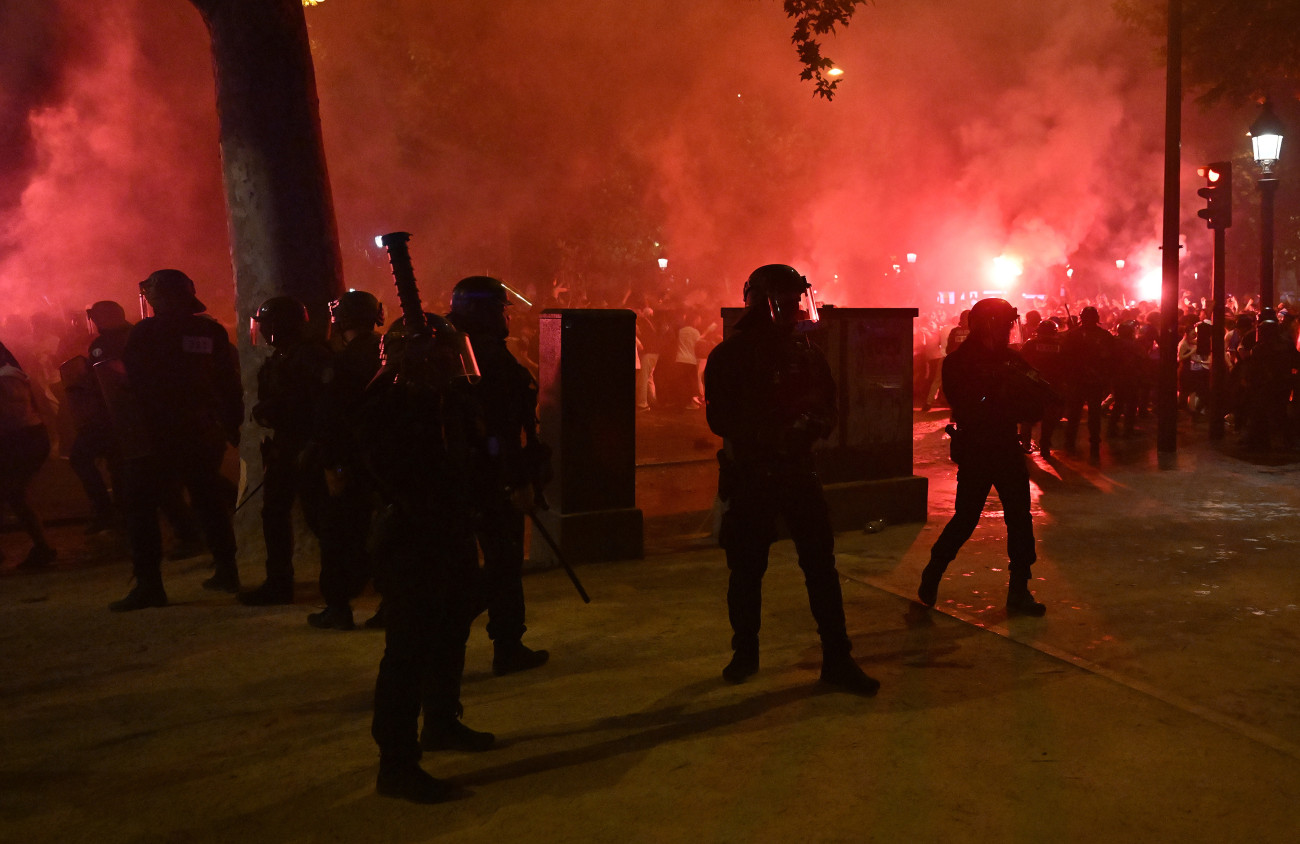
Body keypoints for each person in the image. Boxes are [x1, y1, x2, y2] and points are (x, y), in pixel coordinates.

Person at [703, 263, 879, 695]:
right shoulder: (731, 355)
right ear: (766, 302)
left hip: (798, 472)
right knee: (746, 570)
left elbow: (829, 404)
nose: (797, 307)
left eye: (800, 298)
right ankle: (745, 652)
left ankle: (837, 658)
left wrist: (811, 424)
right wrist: (772, 429)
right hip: (752, 475)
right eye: (788, 299)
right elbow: (720, 418)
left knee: (821, 566)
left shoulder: (806, 353)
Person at [361, 311, 494, 804]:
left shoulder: (444, 401)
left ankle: (441, 721)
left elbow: (468, 457)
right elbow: (399, 473)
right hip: (412, 538)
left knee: (450, 631)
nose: (451, 366)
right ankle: (396, 763)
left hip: (449, 532)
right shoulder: (388, 402)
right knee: (408, 650)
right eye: (440, 359)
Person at [110, 269, 243, 611]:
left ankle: (150, 586)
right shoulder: (211, 331)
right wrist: (232, 428)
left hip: (158, 434)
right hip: (203, 431)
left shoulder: (147, 331)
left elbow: (134, 382)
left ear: (160, 296)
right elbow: (229, 383)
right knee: (208, 498)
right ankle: (228, 571)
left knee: (141, 507)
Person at [918, 298, 1050, 617]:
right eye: (1004, 324)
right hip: (978, 447)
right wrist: (1000, 395)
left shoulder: (1010, 359)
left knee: (1020, 518)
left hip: (1004, 445)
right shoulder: (958, 362)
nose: (1008, 331)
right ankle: (934, 571)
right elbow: (966, 403)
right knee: (966, 518)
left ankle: (1019, 588)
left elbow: (1036, 398)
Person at [446, 276, 551, 674]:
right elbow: (503, 430)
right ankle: (506, 644)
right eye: (498, 309)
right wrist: (517, 480)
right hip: (491, 478)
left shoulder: (452, 350)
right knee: (503, 563)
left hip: (461, 477)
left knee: (483, 561)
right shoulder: (485, 355)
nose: (503, 317)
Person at [239, 296, 335, 606]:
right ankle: (280, 582)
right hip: (288, 445)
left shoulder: (308, 355)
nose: (263, 331)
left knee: (319, 517)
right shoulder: (286, 355)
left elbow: (318, 402)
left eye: (266, 324)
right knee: (276, 514)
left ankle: (340, 581)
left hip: (307, 445)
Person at [308, 290, 385, 630]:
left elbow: (330, 418)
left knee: (337, 535)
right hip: (387, 459)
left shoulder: (342, 361)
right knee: (385, 533)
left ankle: (338, 608)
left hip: (350, 462)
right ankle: (390, 603)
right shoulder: (392, 351)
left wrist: (333, 465)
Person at [0, 342, 57, 570]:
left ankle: (43, 547)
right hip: (22, 439)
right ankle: (42, 547)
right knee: (13, 493)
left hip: (22, 440)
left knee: (14, 492)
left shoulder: (7, 377)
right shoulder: (10, 374)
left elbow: (11, 415)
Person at [1061, 305, 1114, 461]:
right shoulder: (1104, 335)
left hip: (1082, 380)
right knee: (1092, 415)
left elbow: (1065, 358)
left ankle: (1071, 444)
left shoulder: (1074, 335)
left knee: (1076, 414)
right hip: (1090, 380)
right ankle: (1093, 445)